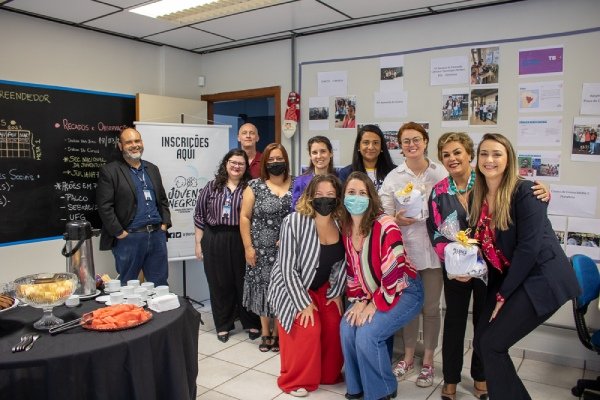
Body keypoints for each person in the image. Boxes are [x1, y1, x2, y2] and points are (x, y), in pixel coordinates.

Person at [428, 132, 551, 400]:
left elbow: (515, 196)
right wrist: (454, 263)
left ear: (469, 154)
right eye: (446, 154)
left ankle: (481, 376)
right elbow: (435, 233)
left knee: (485, 323)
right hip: (456, 270)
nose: (452, 158)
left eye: (457, 152)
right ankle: (450, 379)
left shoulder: (487, 182)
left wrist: (542, 191)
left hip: (490, 269)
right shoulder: (438, 193)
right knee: (455, 322)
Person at [469, 133, 580, 400]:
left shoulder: (527, 192)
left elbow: (528, 249)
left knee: (493, 345)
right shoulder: (478, 196)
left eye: (497, 154)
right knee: (483, 342)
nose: (489, 159)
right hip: (512, 278)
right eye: (484, 153)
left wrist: (502, 296)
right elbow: (482, 244)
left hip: (542, 278)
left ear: (509, 159)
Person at [340, 171, 424, 400]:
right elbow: (353, 271)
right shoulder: (347, 228)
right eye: (351, 192)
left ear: (371, 198)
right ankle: (356, 388)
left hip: (404, 289)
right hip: (372, 292)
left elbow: (394, 274)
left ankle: (383, 390)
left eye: (361, 193)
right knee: (347, 327)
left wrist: (373, 304)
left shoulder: (386, 225)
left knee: (367, 334)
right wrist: (359, 301)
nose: (356, 198)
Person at [379, 122, 446, 388]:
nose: (411, 145)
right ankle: (407, 358)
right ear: (400, 145)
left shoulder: (440, 172)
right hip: (405, 253)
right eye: (405, 141)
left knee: (431, 308)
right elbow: (383, 215)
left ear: (426, 141)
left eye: (416, 139)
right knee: (408, 309)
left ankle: (427, 361)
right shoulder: (395, 176)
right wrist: (395, 218)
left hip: (433, 253)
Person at [268, 174, 346, 397]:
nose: (325, 199)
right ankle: (295, 380)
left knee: (334, 325)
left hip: (324, 288)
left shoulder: (341, 224)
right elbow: (286, 268)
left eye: (330, 195)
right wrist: (303, 303)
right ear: (310, 197)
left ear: (338, 198)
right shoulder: (294, 221)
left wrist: (337, 293)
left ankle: (327, 374)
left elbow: (342, 264)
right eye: (319, 195)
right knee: (308, 327)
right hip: (292, 288)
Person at [193, 149, 261, 343]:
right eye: (233, 162)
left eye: (241, 163)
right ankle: (223, 324)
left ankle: (251, 322)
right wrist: (198, 243)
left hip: (242, 238)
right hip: (214, 237)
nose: (236, 166)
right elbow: (199, 216)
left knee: (246, 281)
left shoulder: (251, 188)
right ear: (226, 163)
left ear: (246, 167)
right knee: (219, 282)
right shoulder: (212, 187)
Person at [96, 127, 171, 286]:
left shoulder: (152, 168)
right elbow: (104, 206)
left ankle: (157, 311)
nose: (134, 145)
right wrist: (120, 232)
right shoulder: (110, 171)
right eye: (129, 142)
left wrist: (164, 224)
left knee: (160, 285)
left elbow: (162, 199)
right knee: (128, 287)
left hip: (157, 235)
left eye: (137, 141)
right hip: (129, 238)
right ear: (120, 146)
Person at [240, 143, 295, 352]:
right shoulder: (254, 186)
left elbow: (304, 215)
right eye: (271, 160)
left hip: (289, 250)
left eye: (279, 159)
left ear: (286, 161)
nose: (275, 163)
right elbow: (244, 217)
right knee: (263, 288)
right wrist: (248, 247)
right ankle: (266, 331)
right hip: (260, 250)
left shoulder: (297, 184)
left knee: (284, 289)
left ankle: (280, 332)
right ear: (264, 163)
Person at [338, 124, 396, 191]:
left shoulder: (394, 171)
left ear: (382, 147)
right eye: (366, 142)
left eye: (375, 143)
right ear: (358, 146)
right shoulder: (346, 173)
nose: (370, 147)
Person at [291, 135, 335, 210]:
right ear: (310, 156)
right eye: (314, 152)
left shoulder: (339, 179)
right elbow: (294, 210)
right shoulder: (300, 181)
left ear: (330, 153)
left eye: (323, 151)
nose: (319, 156)